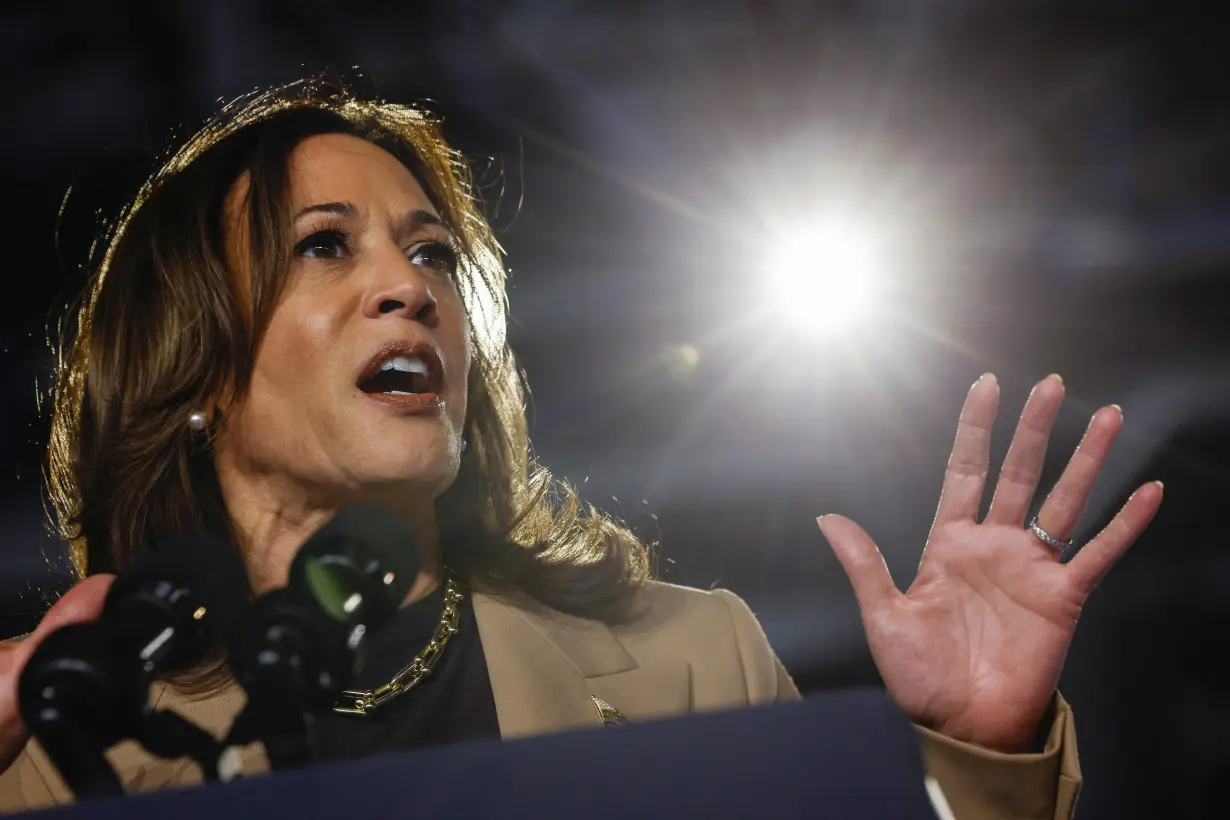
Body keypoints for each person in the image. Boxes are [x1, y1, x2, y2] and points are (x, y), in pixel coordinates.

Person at [0, 78, 1161, 818]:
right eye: (324, 247)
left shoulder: (695, 663)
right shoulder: (57, 742)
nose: (409, 286)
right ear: (196, 363)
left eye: (435, 255)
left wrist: (969, 757)